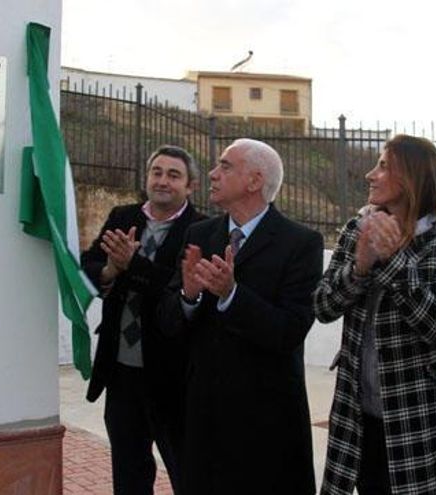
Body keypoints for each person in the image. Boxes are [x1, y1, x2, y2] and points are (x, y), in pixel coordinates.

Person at [314, 134, 436, 495]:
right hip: (358, 410)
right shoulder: (360, 227)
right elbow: (324, 306)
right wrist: (359, 268)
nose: (371, 175)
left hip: (419, 411)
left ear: (413, 177)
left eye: (384, 166)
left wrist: (393, 261)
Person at [160, 138, 324, 495]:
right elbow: (169, 322)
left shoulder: (301, 243)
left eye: (225, 166)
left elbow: (290, 331)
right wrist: (188, 295)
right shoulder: (200, 234)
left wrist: (231, 295)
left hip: (267, 424)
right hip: (205, 420)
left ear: (254, 181)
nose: (213, 174)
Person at [80, 145, 205, 495]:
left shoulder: (203, 229)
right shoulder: (123, 216)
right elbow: (88, 264)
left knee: (187, 473)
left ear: (190, 186)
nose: (163, 181)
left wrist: (133, 267)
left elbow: (175, 287)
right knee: (129, 472)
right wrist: (109, 269)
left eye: (173, 175)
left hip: (173, 378)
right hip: (121, 373)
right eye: (157, 172)